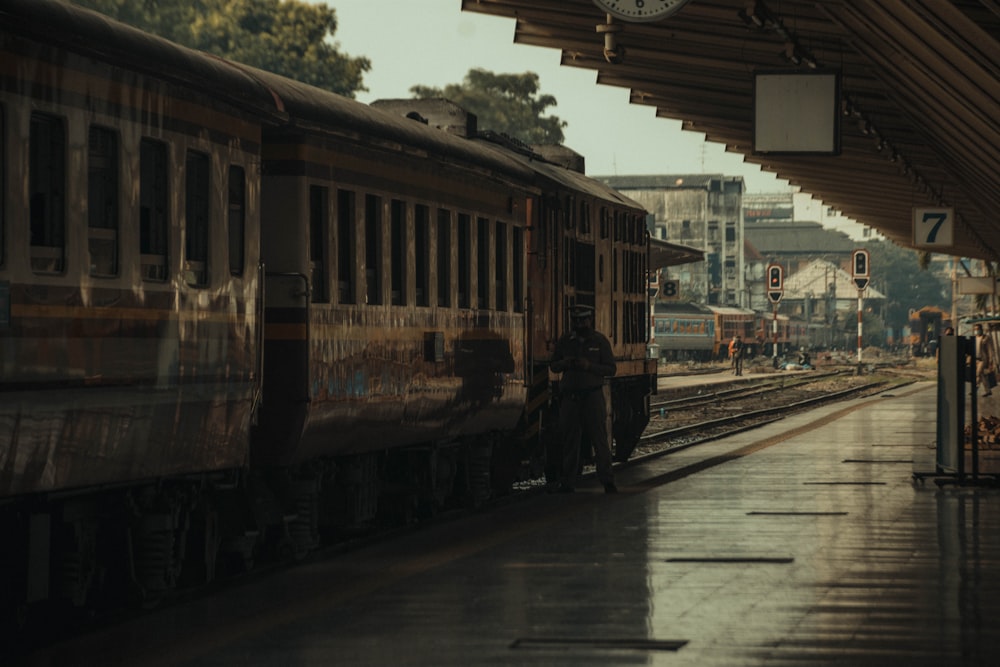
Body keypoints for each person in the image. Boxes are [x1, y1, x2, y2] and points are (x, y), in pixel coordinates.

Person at [550, 304, 618, 494]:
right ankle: (568, 481)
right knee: (570, 440)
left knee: (600, 440)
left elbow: (611, 369)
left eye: (582, 320)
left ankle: (607, 480)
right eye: (575, 320)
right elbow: (553, 365)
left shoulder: (600, 341)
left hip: (592, 395)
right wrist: (565, 363)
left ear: (590, 320)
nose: (579, 323)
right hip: (570, 397)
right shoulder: (565, 341)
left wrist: (589, 366)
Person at [974, 324, 995, 397]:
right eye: (975, 329)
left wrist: (991, 361)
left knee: (978, 373)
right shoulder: (974, 338)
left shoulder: (986, 338)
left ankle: (975, 388)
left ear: (981, 329)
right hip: (976, 359)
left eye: (978, 329)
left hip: (983, 359)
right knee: (982, 375)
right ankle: (988, 390)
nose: (977, 331)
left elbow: (990, 350)